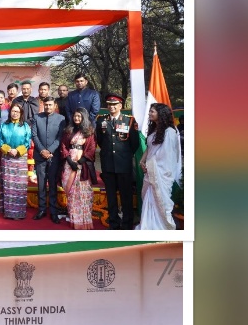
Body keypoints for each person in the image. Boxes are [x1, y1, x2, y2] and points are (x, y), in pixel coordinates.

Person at [94, 94, 142, 229]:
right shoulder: (101, 120)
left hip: (124, 164)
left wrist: (124, 155)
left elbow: (135, 143)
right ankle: (113, 222)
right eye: (109, 104)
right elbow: (101, 141)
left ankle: (127, 223)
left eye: (114, 104)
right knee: (111, 196)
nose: (112, 107)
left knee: (126, 196)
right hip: (108, 164)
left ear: (120, 106)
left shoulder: (129, 121)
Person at [138, 103, 183, 230]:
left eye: (152, 111)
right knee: (148, 199)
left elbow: (166, 155)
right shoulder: (154, 130)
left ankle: (162, 227)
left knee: (160, 199)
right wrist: (142, 160)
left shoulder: (170, 132)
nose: (150, 113)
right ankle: (147, 225)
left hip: (161, 173)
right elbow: (150, 148)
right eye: (150, 111)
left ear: (161, 114)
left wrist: (149, 163)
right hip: (151, 171)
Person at [61, 108, 99, 230]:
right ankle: (73, 218)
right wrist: (70, 161)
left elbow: (92, 148)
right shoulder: (69, 130)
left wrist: (81, 161)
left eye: (79, 116)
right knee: (71, 190)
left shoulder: (89, 131)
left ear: (84, 117)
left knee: (83, 191)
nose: (76, 118)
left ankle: (84, 219)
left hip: (83, 165)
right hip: (69, 163)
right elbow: (63, 146)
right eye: (75, 116)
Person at [31, 97, 67, 222]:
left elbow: (60, 137)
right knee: (41, 184)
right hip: (40, 156)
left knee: (52, 183)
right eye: (46, 105)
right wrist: (42, 150)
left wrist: (50, 151)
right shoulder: (37, 117)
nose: (48, 107)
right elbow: (34, 135)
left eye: (50, 105)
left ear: (55, 105)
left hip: (54, 156)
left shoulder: (61, 118)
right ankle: (41, 209)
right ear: (43, 105)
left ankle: (53, 211)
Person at [0, 104, 32, 220]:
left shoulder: (26, 126)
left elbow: (28, 142)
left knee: (19, 185)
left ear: (21, 113)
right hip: (7, 158)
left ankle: (19, 212)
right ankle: (8, 211)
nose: (15, 113)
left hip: (20, 158)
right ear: (10, 112)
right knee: (8, 185)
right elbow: (0, 140)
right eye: (13, 111)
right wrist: (8, 149)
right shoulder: (4, 125)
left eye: (17, 111)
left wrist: (18, 151)